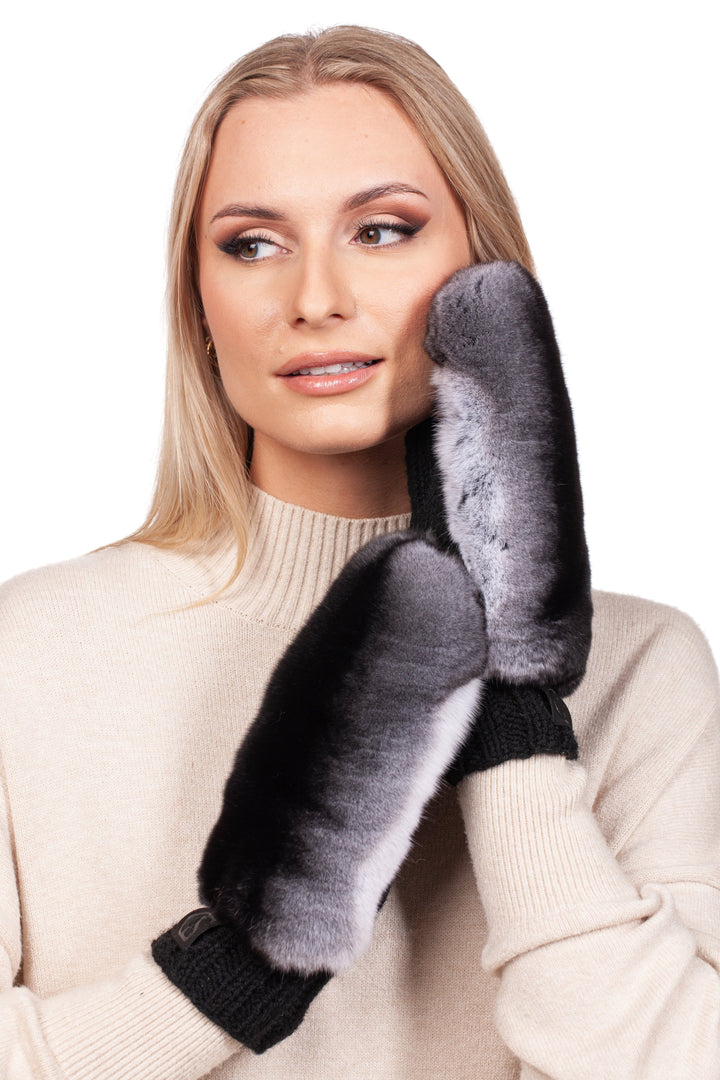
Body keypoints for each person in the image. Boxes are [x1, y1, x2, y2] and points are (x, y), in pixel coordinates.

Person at [1, 24, 718, 1080]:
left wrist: (514, 719)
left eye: (382, 231)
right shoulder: (31, 651)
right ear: (199, 307)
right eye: (252, 243)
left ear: (481, 272)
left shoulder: (645, 666)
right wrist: (233, 972)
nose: (316, 299)